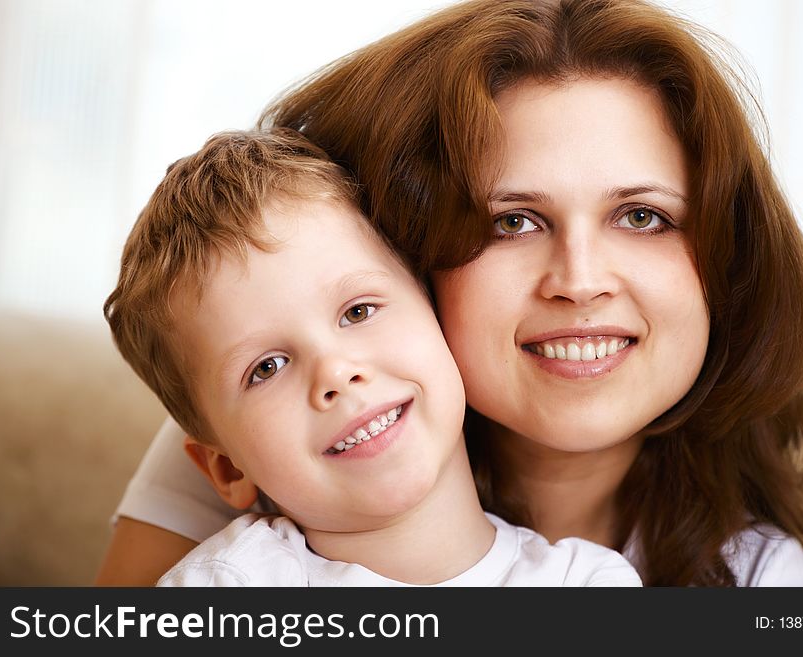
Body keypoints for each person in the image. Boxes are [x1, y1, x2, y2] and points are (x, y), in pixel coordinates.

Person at [96, 0, 803, 586]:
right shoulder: (296, 415)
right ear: (413, 258)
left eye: (642, 215)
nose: (580, 280)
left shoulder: (758, 580)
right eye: (512, 221)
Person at [103, 128, 642, 586]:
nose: (336, 372)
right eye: (266, 368)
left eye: (358, 312)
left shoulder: (589, 584)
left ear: (438, 314)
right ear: (225, 468)